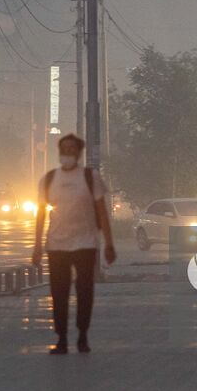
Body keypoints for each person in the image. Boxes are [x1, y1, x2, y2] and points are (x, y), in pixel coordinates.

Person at [32, 133, 116, 354]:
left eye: (72, 149)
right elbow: (40, 215)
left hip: (85, 244)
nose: (67, 153)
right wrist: (37, 246)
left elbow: (102, 212)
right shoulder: (49, 179)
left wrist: (109, 243)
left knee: (84, 291)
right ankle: (61, 339)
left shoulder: (90, 177)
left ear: (79, 153)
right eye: (64, 149)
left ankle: (82, 336)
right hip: (56, 245)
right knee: (58, 293)